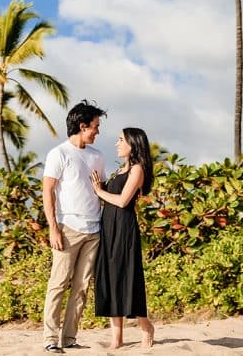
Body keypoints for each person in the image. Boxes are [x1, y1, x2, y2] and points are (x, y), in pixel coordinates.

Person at [41, 100, 107, 354]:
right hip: (68, 227)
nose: (97, 131)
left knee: (82, 286)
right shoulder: (59, 153)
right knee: (59, 283)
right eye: (95, 126)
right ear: (82, 126)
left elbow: (100, 190)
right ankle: (50, 337)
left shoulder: (97, 156)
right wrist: (53, 228)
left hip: (94, 230)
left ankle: (69, 338)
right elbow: (48, 192)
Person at [90, 127, 155, 349]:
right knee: (109, 278)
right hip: (108, 227)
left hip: (124, 228)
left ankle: (145, 325)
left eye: (120, 140)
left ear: (132, 144)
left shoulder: (137, 169)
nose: (117, 143)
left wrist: (99, 191)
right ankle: (116, 339)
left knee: (126, 277)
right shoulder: (119, 170)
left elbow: (122, 201)